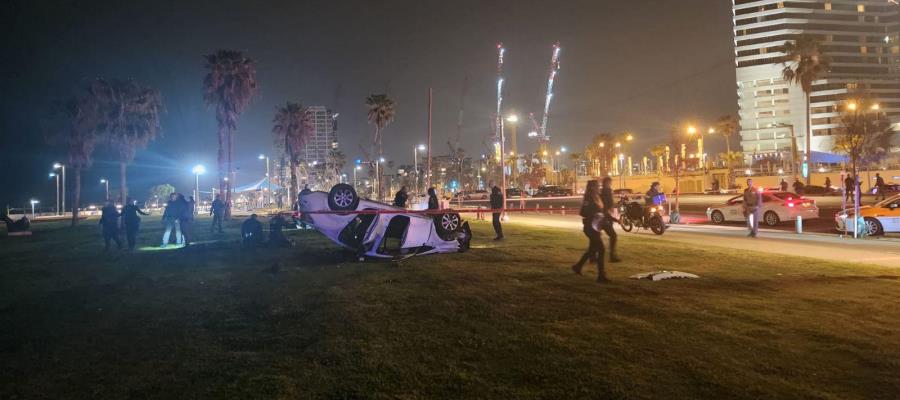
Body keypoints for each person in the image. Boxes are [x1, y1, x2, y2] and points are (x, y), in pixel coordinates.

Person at [571, 180, 607, 282]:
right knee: (601, 249)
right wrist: (593, 214)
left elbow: (601, 211)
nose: (599, 187)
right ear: (592, 187)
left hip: (596, 227)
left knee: (592, 250)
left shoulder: (597, 197)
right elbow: (583, 212)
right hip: (590, 227)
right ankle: (601, 276)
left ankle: (577, 266)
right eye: (597, 186)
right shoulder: (588, 198)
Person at [599, 176, 621, 263]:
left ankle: (592, 257)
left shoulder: (603, 191)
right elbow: (607, 203)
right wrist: (610, 209)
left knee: (596, 238)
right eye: (609, 182)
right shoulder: (606, 191)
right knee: (613, 236)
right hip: (605, 216)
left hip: (605, 215)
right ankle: (612, 256)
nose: (610, 184)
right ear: (606, 183)